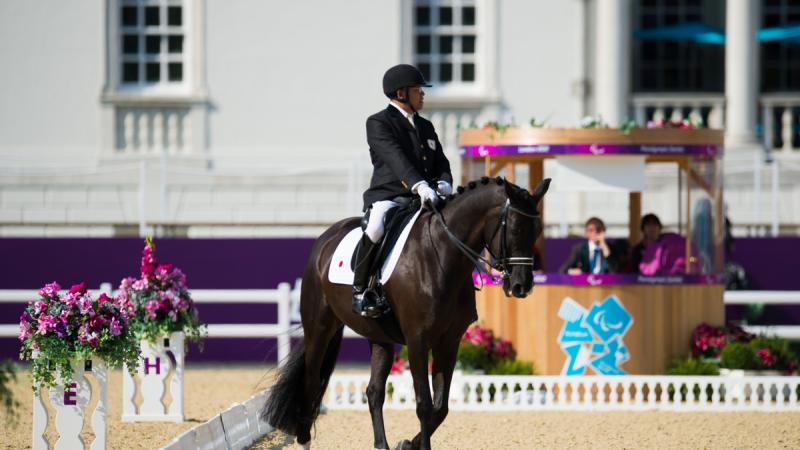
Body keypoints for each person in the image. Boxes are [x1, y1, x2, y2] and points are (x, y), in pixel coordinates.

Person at [352, 64, 453, 318]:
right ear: (401, 94)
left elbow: (441, 160)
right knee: (375, 227)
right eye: (418, 90)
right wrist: (419, 185)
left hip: (426, 196)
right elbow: (397, 160)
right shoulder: (378, 123)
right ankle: (361, 290)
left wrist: (444, 181)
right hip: (389, 195)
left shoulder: (426, 126)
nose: (423, 94)